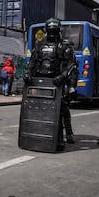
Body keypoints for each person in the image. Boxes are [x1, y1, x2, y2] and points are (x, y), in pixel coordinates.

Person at [25, 17, 75, 150]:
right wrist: (28, 73)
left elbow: (72, 65)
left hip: (57, 82)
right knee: (39, 109)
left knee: (62, 109)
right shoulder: (39, 45)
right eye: (50, 31)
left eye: (55, 31)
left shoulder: (64, 46)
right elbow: (32, 62)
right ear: (47, 31)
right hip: (40, 82)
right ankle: (39, 136)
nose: (52, 33)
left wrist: (63, 77)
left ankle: (65, 135)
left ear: (58, 31)